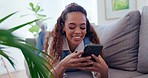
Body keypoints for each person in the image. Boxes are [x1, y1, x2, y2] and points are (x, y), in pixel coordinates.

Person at [45, 3, 108, 78]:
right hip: (46, 42)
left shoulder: (90, 42)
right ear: (63, 27)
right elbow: (50, 75)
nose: (78, 31)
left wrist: (104, 70)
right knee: (41, 37)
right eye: (72, 27)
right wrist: (63, 65)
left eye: (82, 27)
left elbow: (99, 74)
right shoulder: (56, 42)